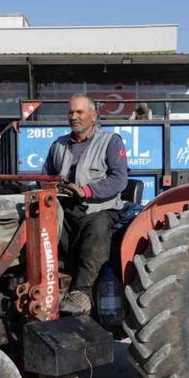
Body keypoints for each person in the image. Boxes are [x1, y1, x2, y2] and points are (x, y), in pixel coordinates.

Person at [42, 94, 128, 314]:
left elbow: (119, 179)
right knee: (41, 227)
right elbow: (45, 177)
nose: (74, 117)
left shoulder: (110, 141)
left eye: (79, 112)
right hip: (67, 207)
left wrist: (86, 191)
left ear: (93, 115)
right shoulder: (58, 145)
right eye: (71, 112)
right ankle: (48, 283)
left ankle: (82, 293)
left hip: (100, 207)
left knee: (97, 229)